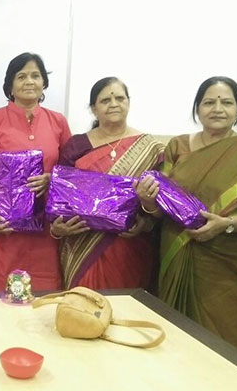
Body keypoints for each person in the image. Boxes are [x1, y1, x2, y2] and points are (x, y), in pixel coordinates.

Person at [137, 76, 237, 352]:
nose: (218, 109)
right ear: (197, 108)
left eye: (227, 102)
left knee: (223, 348)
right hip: (175, 254)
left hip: (226, 268)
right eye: (209, 102)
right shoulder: (177, 146)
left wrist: (226, 224)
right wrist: (147, 201)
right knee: (173, 344)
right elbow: (159, 210)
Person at [0, 52, 71, 292]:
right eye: (21, 76)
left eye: (35, 76)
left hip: (44, 235)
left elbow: (70, 174)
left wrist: (52, 180)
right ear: (10, 85)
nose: (29, 81)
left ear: (44, 83)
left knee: (41, 300)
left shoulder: (58, 122)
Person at [54, 77, 164, 290]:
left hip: (129, 249)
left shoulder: (150, 148)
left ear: (129, 102)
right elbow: (60, 198)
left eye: (120, 98)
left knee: (125, 307)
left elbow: (159, 205)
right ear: (94, 109)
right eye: (105, 100)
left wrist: (145, 224)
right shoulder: (77, 145)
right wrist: (58, 229)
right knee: (82, 305)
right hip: (81, 245)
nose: (114, 104)